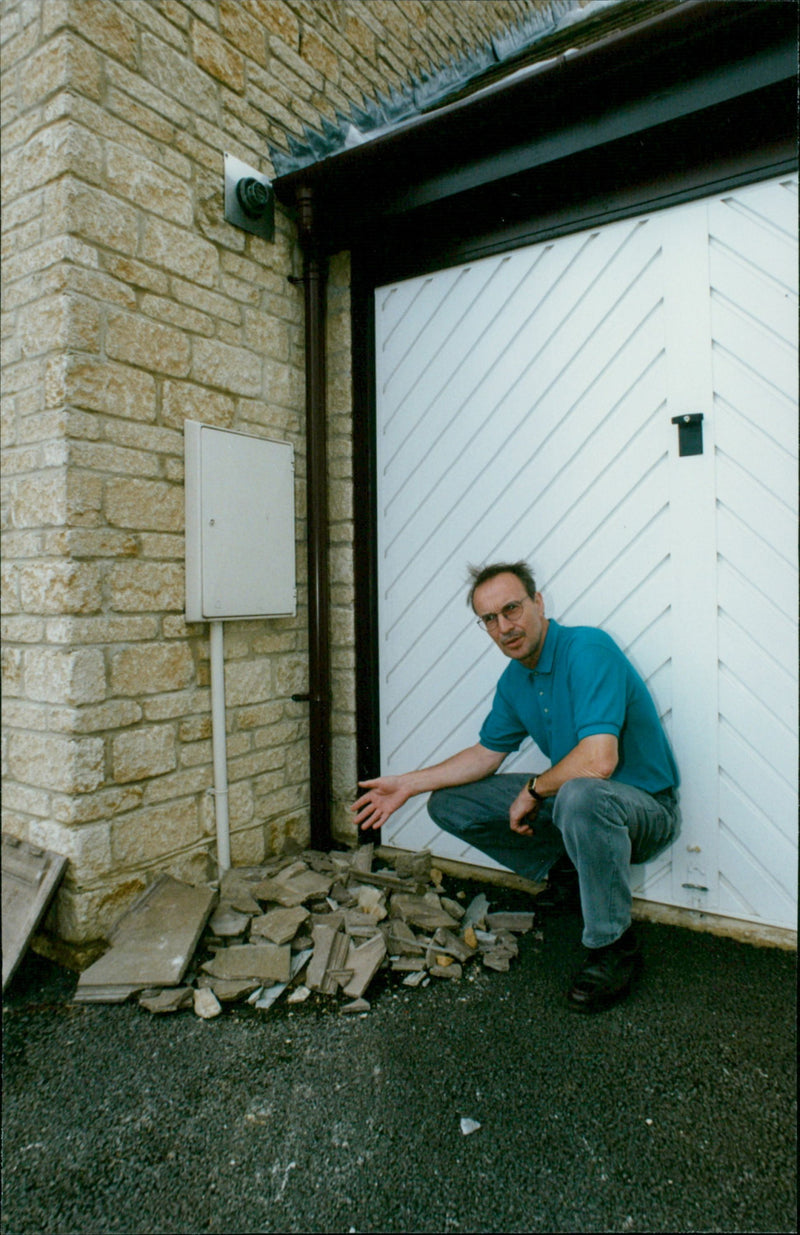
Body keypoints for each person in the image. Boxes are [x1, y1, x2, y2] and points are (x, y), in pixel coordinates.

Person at [352, 561, 680, 1012]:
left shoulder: (587, 649)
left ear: (538, 603)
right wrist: (408, 784)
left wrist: (533, 789)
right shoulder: (514, 680)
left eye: (512, 609)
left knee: (580, 793)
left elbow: (599, 761)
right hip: (580, 809)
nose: (504, 627)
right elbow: (485, 756)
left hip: (646, 812)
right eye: (490, 619)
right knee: (450, 804)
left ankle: (614, 947)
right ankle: (570, 870)